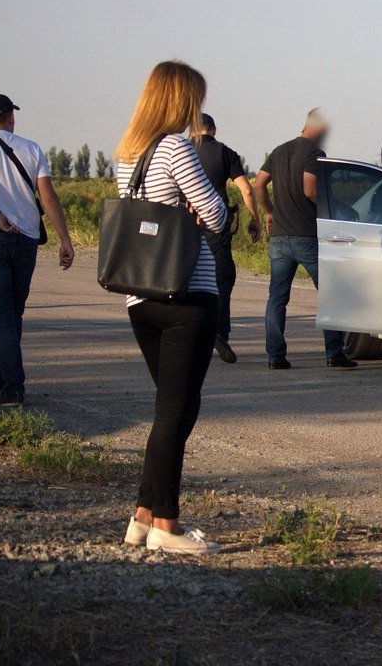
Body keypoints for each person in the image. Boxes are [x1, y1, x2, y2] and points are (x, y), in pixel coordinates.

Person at [115, 61, 228, 555]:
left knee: (171, 408)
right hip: (187, 294)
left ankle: (143, 514)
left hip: (141, 297)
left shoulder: (128, 152)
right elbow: (218, 217)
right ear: (182, 100)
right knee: (176, 410)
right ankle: (167, 524)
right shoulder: (177, 147)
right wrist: (199, 211)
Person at [0, 94, 75, 407]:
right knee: (12, 313)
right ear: (11, 117)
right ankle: (1, 384)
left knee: (1, 316)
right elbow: (48, 196)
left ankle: (11, 388)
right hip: (25, 239)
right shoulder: (31, 148)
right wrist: (65, 240)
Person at [254, 108, 356, 370]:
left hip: (279, 236)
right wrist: (337, 207)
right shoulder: (314, 153)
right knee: (330, 292)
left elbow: (258, 184)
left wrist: (269, 212)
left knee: (277, 298)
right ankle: (334, 353)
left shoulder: (278, 151)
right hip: (306, 235)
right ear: (319, 128)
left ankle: (275, 356)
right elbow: (310, 189)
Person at [193, 113, 261, 364]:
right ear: (214, 130)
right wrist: (254, 219)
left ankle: (192, 331)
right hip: (216, 226)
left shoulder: (181, 151)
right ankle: (219, 332)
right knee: (222, 277)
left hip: (184, 225)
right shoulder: (225, 153)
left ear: (192, 131)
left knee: (186, 278)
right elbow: (245, 188)